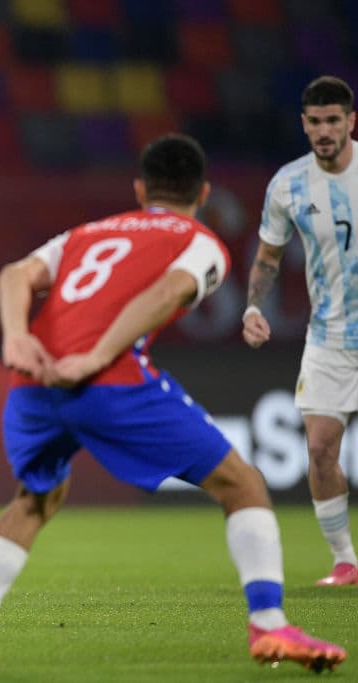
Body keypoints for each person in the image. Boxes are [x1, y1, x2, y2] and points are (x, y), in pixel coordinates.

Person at [0, 134, 347, 672]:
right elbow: (163, 295)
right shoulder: (200, 242)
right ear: (202, 193)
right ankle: (272, 627)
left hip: (32, 381)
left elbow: (16, 275)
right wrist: (96, 357)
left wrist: (15, 336)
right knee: (242, 483)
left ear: (140, 189)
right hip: (107, 382)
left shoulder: (87, 233)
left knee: (36, 498)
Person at [243, 75, 358, 587]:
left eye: (334, 120)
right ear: (304, 125)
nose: (325, 130)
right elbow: (268, 256)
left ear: (351, 122)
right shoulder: (288, 184)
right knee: (319, 448)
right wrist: (251, 307)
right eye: (316, 122)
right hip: (330, 336)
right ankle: (345, 561)